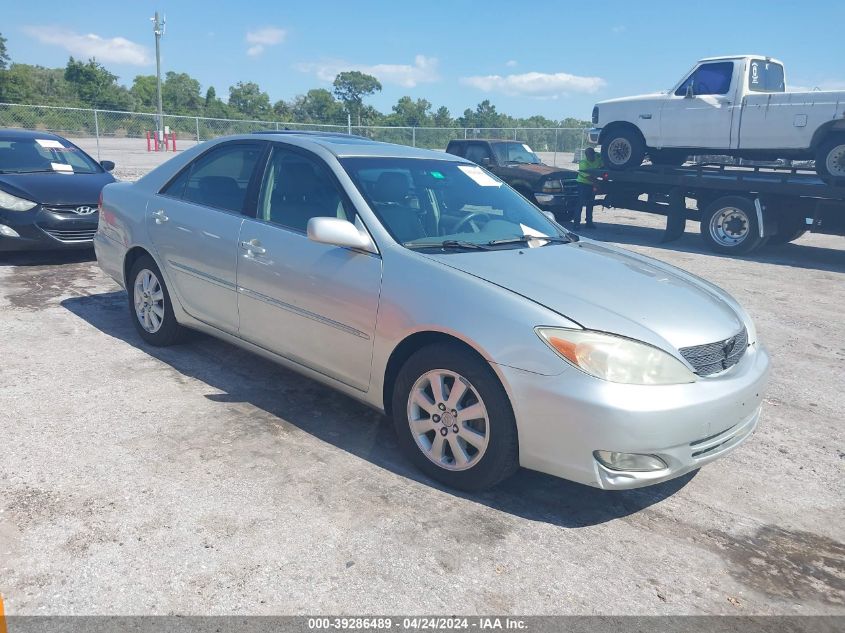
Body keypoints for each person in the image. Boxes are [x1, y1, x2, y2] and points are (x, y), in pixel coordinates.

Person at [575, 147, 603, 228]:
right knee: (580, 203)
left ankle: (589, 222)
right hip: (582, 184)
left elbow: (602, 157)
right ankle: (576, 224)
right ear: (586, 155)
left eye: (591, 155)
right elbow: (588, 177)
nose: (590, 157)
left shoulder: (597, 158)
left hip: (591, 184)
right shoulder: (583, 162)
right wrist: (598, 184)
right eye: (588, 156)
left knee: (590, 204)